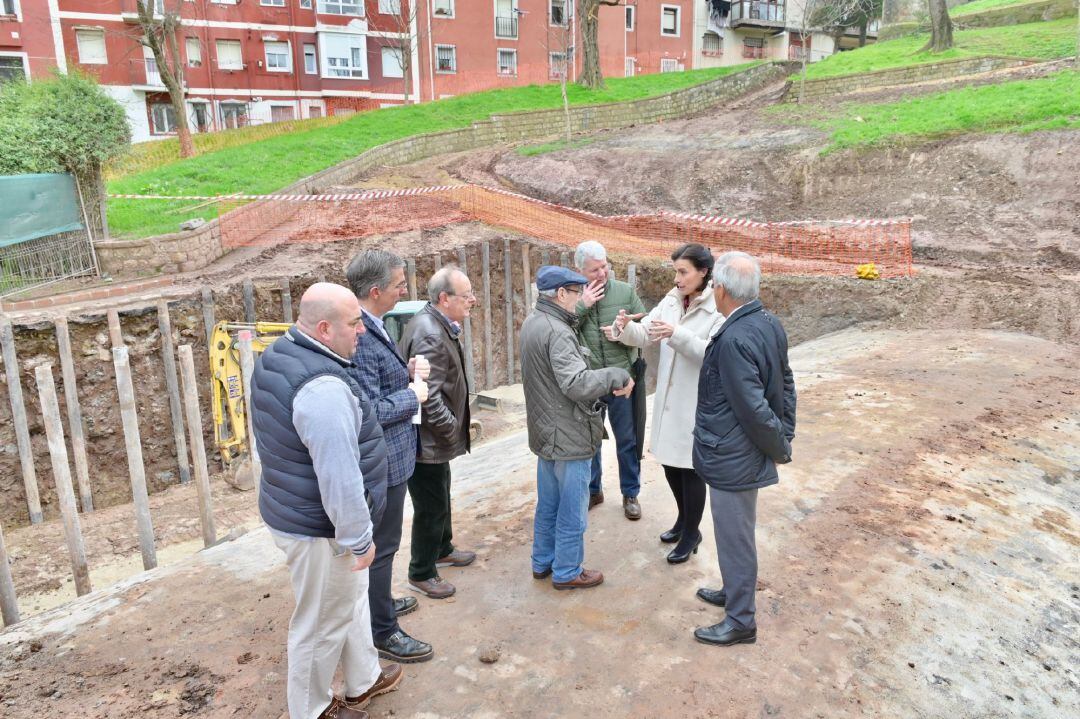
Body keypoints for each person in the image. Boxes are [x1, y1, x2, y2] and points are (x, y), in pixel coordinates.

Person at [250, 282, 403, 719]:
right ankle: (311, 710)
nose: (362, 331)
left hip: (296, 509)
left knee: (347, 598)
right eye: (355, 324)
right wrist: (358, 537)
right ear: (323, 328)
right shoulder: (322, 390)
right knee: (319, 623)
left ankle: (363, 678)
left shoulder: (283, 352)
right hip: (320, 526)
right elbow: (339, 477)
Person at [691, 252, 797, 647]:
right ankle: (735, 591)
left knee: (735, 535)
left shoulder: (735, 337)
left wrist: (780, 444)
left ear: (720, 289)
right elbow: (786, 382)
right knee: (734, 532)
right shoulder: (767, 321)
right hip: (740, 450)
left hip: (734, 454)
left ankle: (740, 621)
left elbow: (752, 407)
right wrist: (785, 430)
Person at [603, 244, 724, 564]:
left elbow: (712, 354)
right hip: (669, 400)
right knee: (671, 464)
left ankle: (691, 533)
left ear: (704, 272)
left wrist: (677, 333)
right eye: (675, 271)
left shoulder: (717, 307)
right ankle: (684, 522)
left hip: (694, 401)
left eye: (683, 272)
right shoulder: (672, 299)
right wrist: (623, 327)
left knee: (690, 469)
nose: (677, 278)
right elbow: (645, 334)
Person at [346, 250, 435, 665]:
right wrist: (411, 394)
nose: (406, 289)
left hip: (392, 459)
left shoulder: (373, 326)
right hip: (384, 462)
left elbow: (379, 383)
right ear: (377, 290)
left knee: (384, 547)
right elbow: (369, 411)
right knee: (383, 547)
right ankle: (383, 631)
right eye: (400, 283)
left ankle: (378, 603)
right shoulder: (361, 337)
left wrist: (406, 370)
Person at [520, 266, 634, 590]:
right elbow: (576, 383)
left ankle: (542, 562)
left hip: (546, 433)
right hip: (568, 434)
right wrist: (615, 375)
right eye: (575, 293)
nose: (579, 299)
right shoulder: (557, 331)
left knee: (549, 504)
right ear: (560, 294)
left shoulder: (534, 323)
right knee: (572, 508)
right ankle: (568, 570)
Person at [399, 267, 477, 600]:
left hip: (433, 438)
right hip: (427, 439)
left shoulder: (435, 323)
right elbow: (426, 393)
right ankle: (421, 571)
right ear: (444, 299)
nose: (472, 300)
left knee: (441, 492)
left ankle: (442, 548)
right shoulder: (430, 333)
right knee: (430, 505)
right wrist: (449, 428)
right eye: (466, 295)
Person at [573, 240, 648, 520]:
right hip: (589, 382)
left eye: (604, 266)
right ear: (579, 270)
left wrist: (625, 326)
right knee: (590, 441)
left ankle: (631, 493)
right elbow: (562, 328)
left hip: (621, 383)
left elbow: (645, 324)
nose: (602, 273)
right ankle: (594, 490)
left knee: (626, 439)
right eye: (594, 270)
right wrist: (582, 306)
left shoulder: (625, 292)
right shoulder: (572, 297)